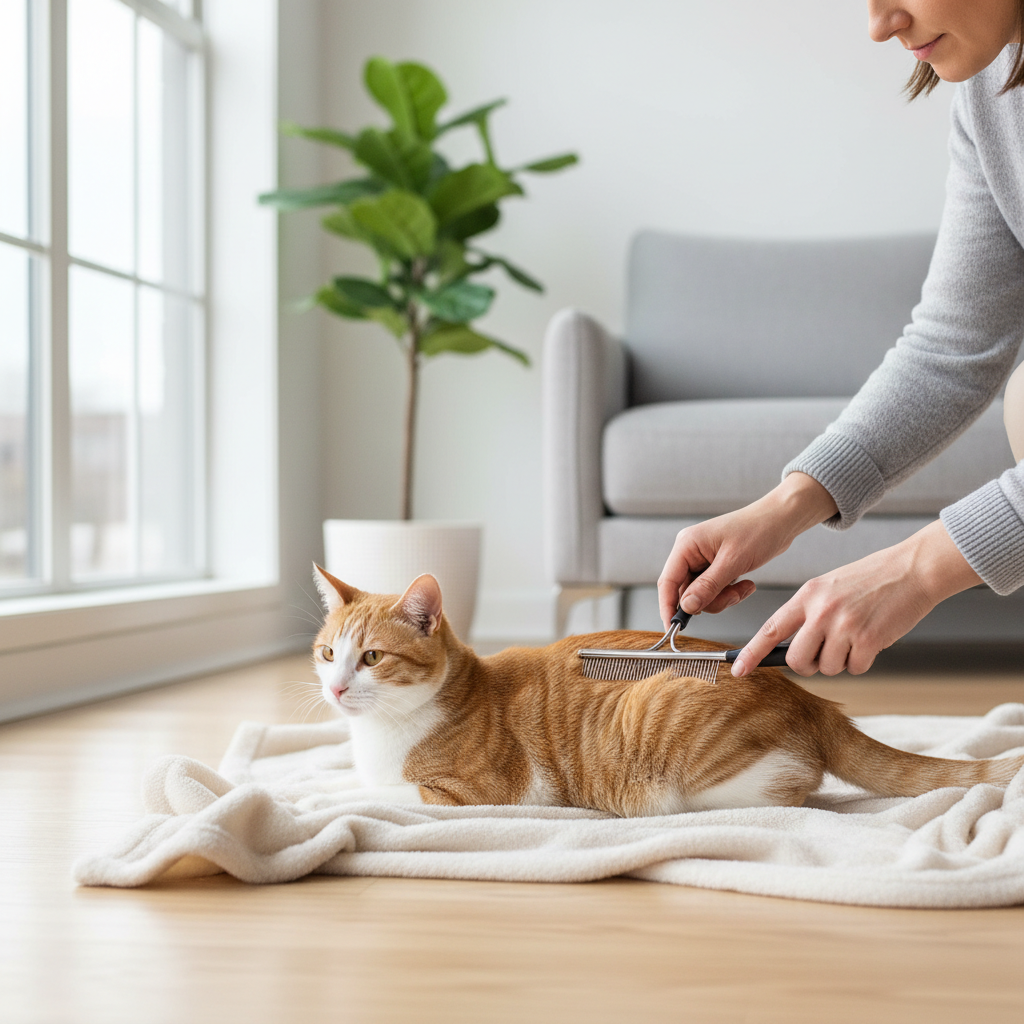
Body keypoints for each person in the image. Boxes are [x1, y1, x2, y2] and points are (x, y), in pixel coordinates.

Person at [657, 0, 1024, 679]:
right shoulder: (989, 91)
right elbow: (954, 347)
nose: (879, 25)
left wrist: (915, 570)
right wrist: (788, 504)